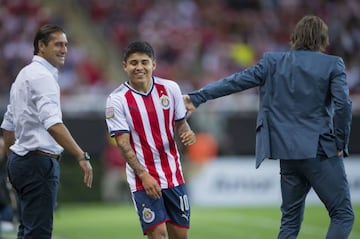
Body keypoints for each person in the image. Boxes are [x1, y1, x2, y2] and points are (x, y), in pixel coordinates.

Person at [183, 15, 354, 239]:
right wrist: (340, 141)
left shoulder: (273, 62)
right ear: (323, 39)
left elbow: (235, 81)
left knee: (290, 221)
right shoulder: (333, 64)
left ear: (295, 37)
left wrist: (197, 97)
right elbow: (343, 105)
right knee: (342, 214)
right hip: (320, 151)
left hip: (286, 153)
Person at [0, 24, 93, 239]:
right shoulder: (43, 77)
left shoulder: (24, 75)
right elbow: (52, 124)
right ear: (41, 46)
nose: (64, 49)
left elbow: (7, 125)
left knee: (26, 230)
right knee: (38, 233)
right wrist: (81, 155)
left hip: (23, 161)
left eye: (66, 45)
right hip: (39, 162)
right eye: (58, 44)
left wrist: (14, 159)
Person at [105, 41, 196, 239]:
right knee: (158, 235)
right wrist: (144, 175)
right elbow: (122, 143)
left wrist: (187, 132)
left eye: (144, 62)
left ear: (153, 64)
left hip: (173, 173)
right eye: (134, 62)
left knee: (180, 236)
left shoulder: (170, 88)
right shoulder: (117, 99)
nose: (139, 67)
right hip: (142, 177)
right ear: (125, 66)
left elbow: (181, 123)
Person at [101, 134, 129, 203]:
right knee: (110, 179)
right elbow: (106, 163)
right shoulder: (109, 150)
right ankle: (111, 201)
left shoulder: (128, 148)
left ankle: (129, 201)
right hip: (114, 171)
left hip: (126, 170)